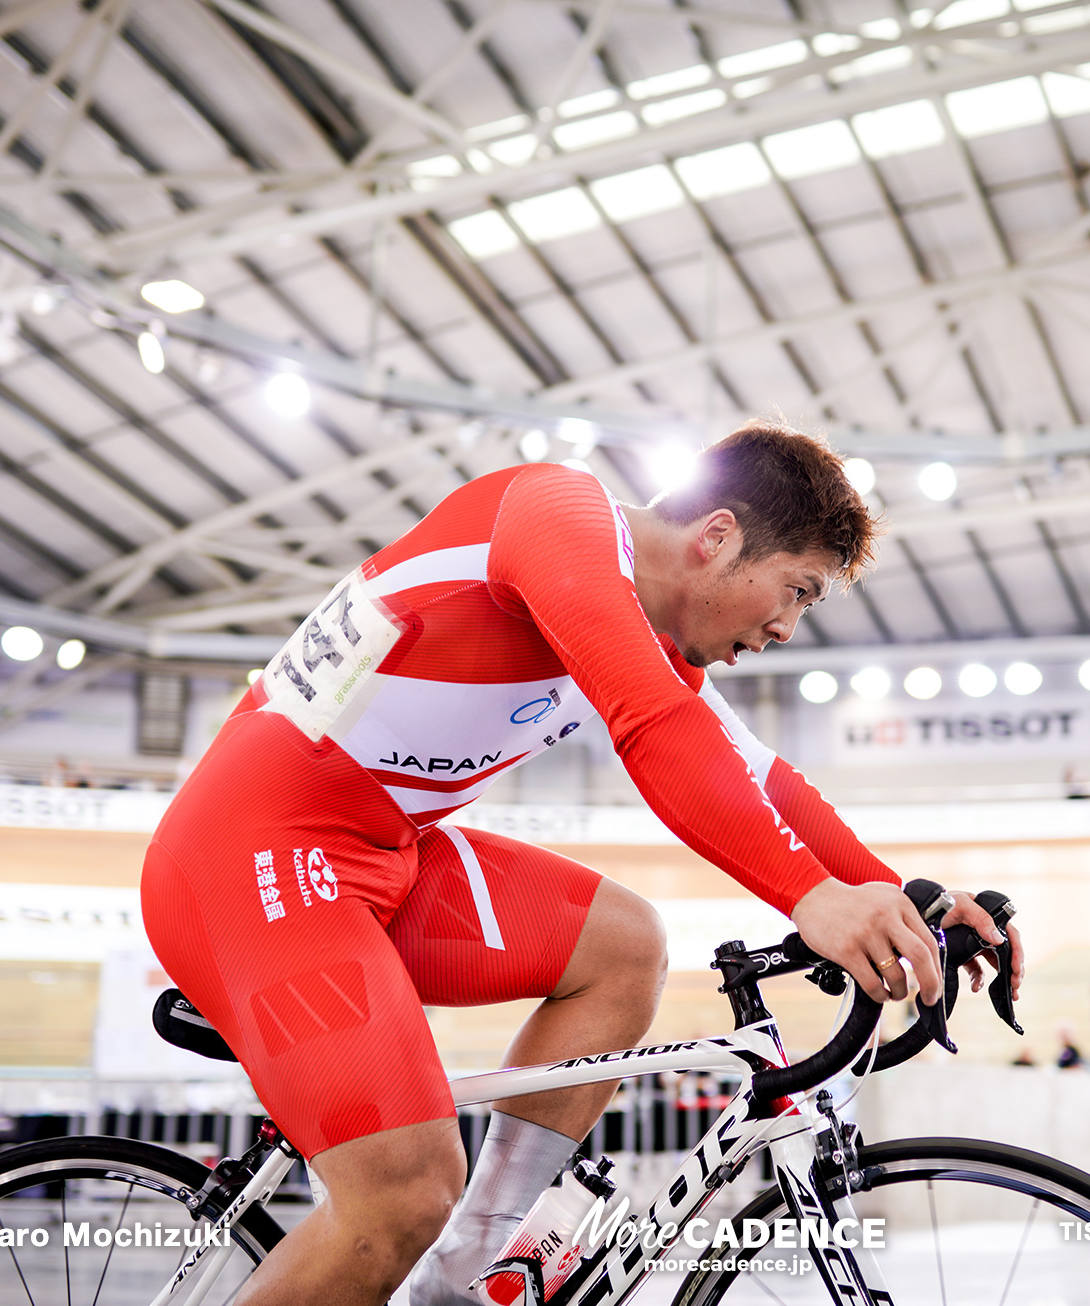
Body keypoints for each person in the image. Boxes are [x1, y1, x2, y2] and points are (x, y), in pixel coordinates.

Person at [139, 422, 1026, 1306]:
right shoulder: (555, 513)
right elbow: (656, 734)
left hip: (382, 853)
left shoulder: (636, 622)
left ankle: (462, 1272)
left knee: (626, 945)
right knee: (401, 1196)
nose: (789, 627)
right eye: (795, 590)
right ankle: (428, 1236)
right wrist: (810, 898)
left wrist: (908, 896)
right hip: (252, 853)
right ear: (715, 538)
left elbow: (764, 782)